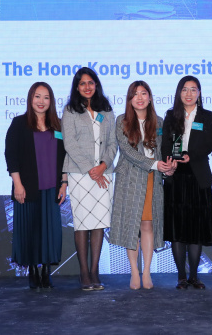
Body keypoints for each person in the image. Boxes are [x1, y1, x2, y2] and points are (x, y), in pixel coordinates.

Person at [110, 81, 175, 290]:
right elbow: (128, 152)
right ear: (129, 99)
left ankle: (147, 271)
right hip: (129, 178)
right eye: (134, 94)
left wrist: (169, 166)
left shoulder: (160, 121)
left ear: (149, 97)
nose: (139, 97)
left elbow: (165, 150)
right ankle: (134, 272)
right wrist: (156, 164)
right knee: (132, 227)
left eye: (143, 93)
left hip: (152, 179)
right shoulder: (122, 121)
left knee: (148, 225)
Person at [4, 82, 67, 290]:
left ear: (51, 101)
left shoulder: (57, 126)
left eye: (46, 97)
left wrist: (64, 182)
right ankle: (32, 270)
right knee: (30, 232)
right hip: (28, 189)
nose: (41, 101)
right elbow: (10, 155)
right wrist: (17, 185)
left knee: (49, 232)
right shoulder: (19, 123)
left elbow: (65, 156)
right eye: (37, 97)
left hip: (51, 188)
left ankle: (45, 271)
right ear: (31, 99)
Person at [62, 67, 117, 291]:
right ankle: (83, 273)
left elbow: (113, 142)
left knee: (99, 225)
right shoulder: (70, 110)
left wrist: (102, 166)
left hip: (104, 174)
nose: (87, 87)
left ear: (96, 84)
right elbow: (69, 144)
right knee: (83, 224)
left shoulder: (106, 109)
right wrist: (90, 169)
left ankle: (95, 271)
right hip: (79, 174)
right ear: (77, 87)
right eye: (82, 83)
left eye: (91, 82)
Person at [162, 76, 212, 290]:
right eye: (185, 89)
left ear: (199, 93)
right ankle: (181, 277)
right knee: (178, 229)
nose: (189, 94)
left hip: (198, 176)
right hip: (176, 176)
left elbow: (209, 143)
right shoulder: (170, 115)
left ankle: (195, 276)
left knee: (196, 229)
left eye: (193, 89)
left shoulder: (207, 116)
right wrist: (170, 162)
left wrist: (189, 155)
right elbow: (165, 143)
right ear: (179, 93)